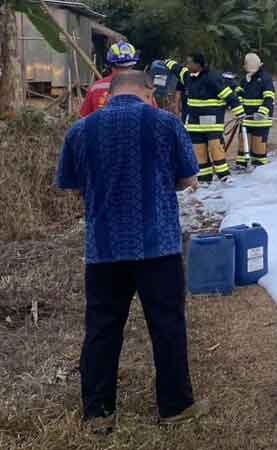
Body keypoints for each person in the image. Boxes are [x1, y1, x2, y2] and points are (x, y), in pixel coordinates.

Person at [57, 71, 208, 434]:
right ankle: (175, 407)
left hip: (104, 248)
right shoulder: (166, 124)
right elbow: (189, 179)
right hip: (158, 246)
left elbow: (73, 186)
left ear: (110, 94)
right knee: (167, 325)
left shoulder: (80, 130)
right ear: (147, 91)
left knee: (102, 329)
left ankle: (98, 412)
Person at [165, 54, 245, 184]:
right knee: (199, 152)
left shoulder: (212, 78)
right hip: (194, 124)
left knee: (215, 149)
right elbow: (178, 69)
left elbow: (229, 96)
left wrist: (239, 112)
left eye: (190, 63)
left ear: (198, 65)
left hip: (212, 123)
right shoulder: (188, 77)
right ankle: (204, 179)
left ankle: (224, 176)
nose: (187, 65)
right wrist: (168, 62)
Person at [80, 41, 157, 117]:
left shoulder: (96, 88)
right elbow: (155, 116)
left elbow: (83, 117)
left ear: (110, 64)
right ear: (133, 64)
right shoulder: (143, 88)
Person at [235, 53, 276, 168]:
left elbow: (269, 97)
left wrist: (262, 112)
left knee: (258, 144)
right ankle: (242, 164)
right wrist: (239, 109)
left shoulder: (265, 78)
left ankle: (259, 166)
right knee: (243, 141)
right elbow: (239, 94)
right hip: (246, 117)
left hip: (261, 119)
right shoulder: (245, 79)